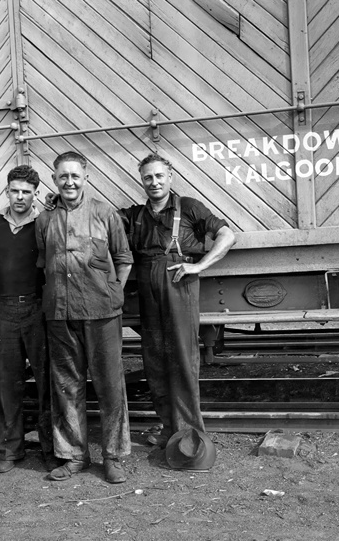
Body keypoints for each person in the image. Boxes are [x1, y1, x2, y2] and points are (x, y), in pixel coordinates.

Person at [119, 153, 235, 455]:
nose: (154, 182)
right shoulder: (133, 216)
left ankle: (191, 435)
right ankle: (170, 429)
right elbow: (99, 224)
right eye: (148, 177)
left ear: (170, 177)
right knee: (155, 360)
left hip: (179, 282)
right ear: (142, 181)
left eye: (159, 176)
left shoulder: (190, 207)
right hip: (147, 285)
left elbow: (227, 235)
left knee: (182, 358)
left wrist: (200, 266)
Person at [35, 151, 134, 484]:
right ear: (54, 180)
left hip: (102, 313)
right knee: (67, 387)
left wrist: (114, 293)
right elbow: (41, 264)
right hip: (60, 315)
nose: (69, 182)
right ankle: (74, 456)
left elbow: (123, 259)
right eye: (63, 176)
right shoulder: (44, 221)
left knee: (109, 386)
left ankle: (114, 457)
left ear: (86, 177)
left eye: (75, 176)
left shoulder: (105, 214)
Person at [0, 165, 55, 473]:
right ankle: (9, 450)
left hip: (37, 308)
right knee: (8, 382)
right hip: (5, 310)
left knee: (46, 380)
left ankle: (51, 449)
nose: (19, 197)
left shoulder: (43, 222)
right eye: (14, 191)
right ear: (7, 191)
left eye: (26, 192)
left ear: (35, 193)